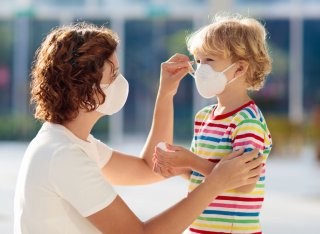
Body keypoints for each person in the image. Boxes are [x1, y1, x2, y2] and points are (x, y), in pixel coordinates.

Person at [13, 23, 263, 234]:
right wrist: (215, 183)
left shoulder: (71, 144)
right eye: (114, 75)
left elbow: (149, 168)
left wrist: (166, 94)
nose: (122, 82)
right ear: (87, 89)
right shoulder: (63, 155)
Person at [153, 14, 273, 234]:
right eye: (198, 61)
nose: (200, 69)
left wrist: (191, 160)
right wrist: (179, 168)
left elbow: (245, 183)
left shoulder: (248, 122)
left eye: (209, 60)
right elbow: (204, 174)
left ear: (239, 69)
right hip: (199, 228)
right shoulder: (204, 116)